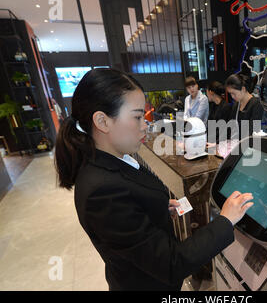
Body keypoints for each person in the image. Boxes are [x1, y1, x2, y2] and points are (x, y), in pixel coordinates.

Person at [54, 68, 254, 291]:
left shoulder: (115, 161)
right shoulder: (102, 191)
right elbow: (171, 263)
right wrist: (225, 220)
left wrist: (153, 206)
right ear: (102, 121)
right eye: (137, 116)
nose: (144, 124)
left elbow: (132, 205)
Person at [225, 73, 264, 140]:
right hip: (237, 144)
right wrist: (218, 143)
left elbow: (252, 131)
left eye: (234, 93)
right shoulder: (236, 104)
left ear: (243, 89)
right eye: (230, 94)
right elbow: (229, 126)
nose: (232, 96)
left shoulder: (256, 104)